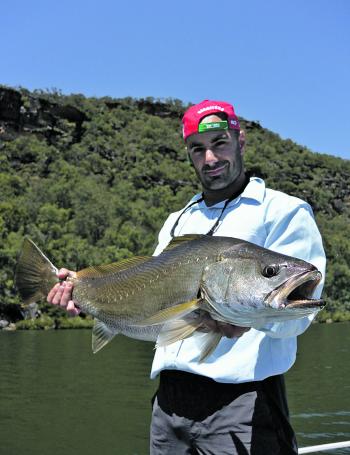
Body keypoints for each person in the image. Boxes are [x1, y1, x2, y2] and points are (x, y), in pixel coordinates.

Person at [47, 99, 326, 454]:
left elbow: (300, 315)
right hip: (168, 405)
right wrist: (85, 290)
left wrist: (248, 320)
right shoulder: (178, 219)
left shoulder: (284, 211)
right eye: (198, 149)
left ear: (241, 142)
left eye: (220, 143)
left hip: (242, 401)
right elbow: (145, 292)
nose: (210, 158)